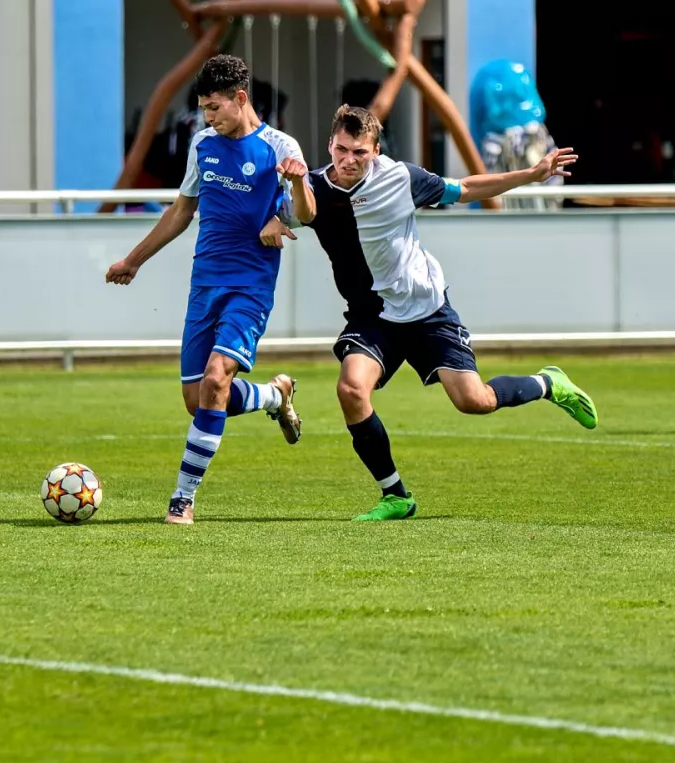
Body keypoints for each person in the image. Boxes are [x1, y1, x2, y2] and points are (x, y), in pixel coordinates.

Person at [281, 105, 595, 521]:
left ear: (376, 151)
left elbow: (465, 188)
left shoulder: (401, 179)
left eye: (359, 152)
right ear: (330, 146)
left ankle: (548, 383)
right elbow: (298, 213)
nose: (349, 160)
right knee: (351, 389)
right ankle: (395, 495)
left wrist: (531, 175)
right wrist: (272, 219)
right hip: (373, 315)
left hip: (426, 309)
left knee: (474, 401)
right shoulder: (313, 186)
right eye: (342, 150)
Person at [106, 55, 312, 525]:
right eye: (204, 109)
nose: (208, 117)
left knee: (217, 379)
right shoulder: (202, 145)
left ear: (240, 99)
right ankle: (274, 396)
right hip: (205, 284)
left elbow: (307, 213)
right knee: (197, 400)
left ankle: (182, 498)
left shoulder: (280, 147)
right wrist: (133, 261)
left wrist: (293, 194)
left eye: (214, 107)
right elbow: (181, 211)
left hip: (251, 286)